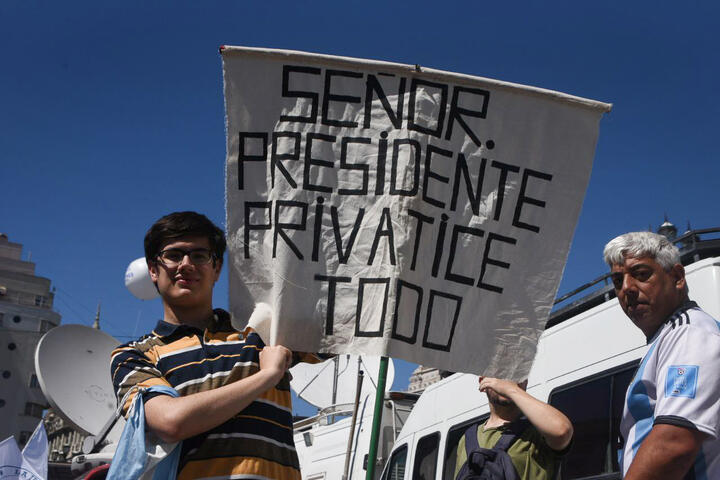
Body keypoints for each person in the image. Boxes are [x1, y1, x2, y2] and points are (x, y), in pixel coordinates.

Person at [111, 211, 319, 479]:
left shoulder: (264, 330)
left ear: (217, 268)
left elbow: (345, 333)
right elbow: (170, 422)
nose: (186, 264)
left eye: (199, 255)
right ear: (153, 269)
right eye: (174, 255)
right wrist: (267, 376)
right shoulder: (135, 355)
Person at [603, 231, 720, 479]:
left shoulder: (688, 332)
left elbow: (674, 442)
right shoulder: (668, 336)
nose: (626, 288)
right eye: (617, 281)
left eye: (641, 274)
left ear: (677, 277)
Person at [454, 376, 573, 480]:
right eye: (500, 373)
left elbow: (562, 430)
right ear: (482, 381)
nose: (507, 379)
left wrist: (511, 390)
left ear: (524, 383)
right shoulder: (466, 438)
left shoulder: (537, 431)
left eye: (516, 374)